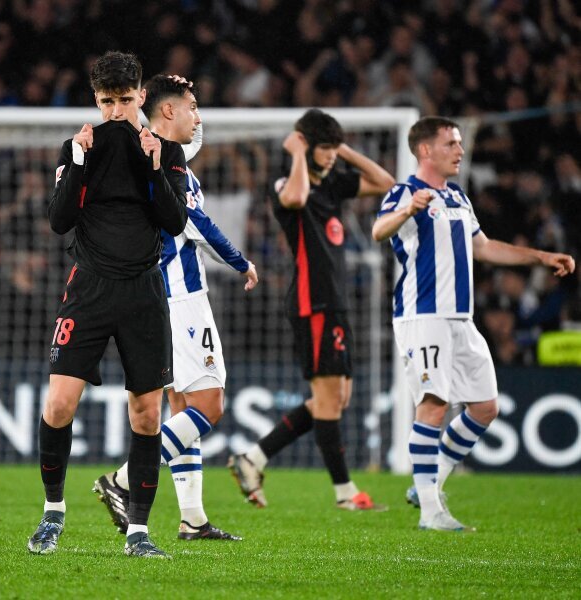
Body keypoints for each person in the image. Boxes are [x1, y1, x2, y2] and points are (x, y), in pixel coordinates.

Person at [371, 116, 575, 531]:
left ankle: (428, 484)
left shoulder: (459, 196)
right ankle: (431, 511)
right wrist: (408, 209)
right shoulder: (404, 192)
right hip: (423, 315)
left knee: (485, 407)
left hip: (460, 318)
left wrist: (540, 256)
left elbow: (483, 248)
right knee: (433, 405)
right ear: (426, 150)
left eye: (460, 144)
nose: (460, 151)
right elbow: (379, 230)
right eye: (451, 143)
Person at [27, 52, 188, 559]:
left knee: (146, 416)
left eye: (125, 100)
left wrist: (154, 165)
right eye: (106, 102)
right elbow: (58, 221)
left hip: (143, 292)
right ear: (95, 101)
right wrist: (76, 164)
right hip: (90, 288)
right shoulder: (79, 149)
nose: (117, 112)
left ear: (142, 96)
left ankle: (138, 532)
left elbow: (175, 221)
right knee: (58, 404)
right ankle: (53, 513)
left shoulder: (166, 150)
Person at [93, 75, 257, 542]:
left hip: (152, 295)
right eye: (192, 107)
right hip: (180, 299)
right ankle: (122, 480)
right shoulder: (166, 162)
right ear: (168, 112)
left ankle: (193, 519)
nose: (198, 117)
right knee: (210, 404)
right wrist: (241, 261)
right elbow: (195, 223)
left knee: (181, 406)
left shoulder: (143, 154)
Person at [228, 109, 393, 511]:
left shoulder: (334, 183)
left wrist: (343, 151)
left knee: (335, 399)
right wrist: (299, 154)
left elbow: (385, 183)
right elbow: (297, 197)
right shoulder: (285, 182)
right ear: (303, 144)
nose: (331, 155)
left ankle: (253, 458)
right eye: (325, 148)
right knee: (328, 397)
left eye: (333, 147)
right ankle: (345, 493)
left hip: (334, 302)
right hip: (311, 300)